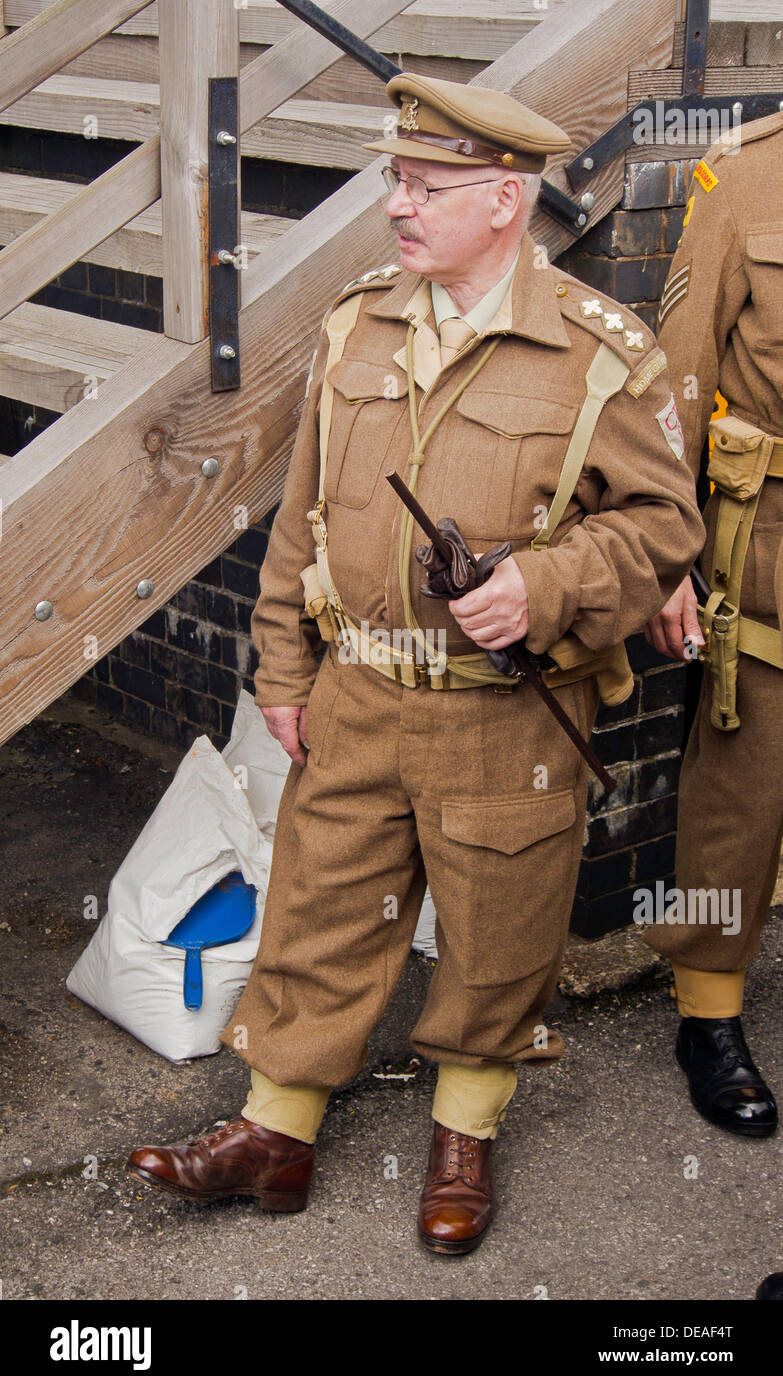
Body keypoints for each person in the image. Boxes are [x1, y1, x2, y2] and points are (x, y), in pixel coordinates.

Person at [128, 74, 704, 1254]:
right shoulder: (357, 325)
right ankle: (275, 1132)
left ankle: (464, 1135)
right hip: (358, 690)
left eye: (428, 186)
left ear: (505, 199)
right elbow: (302, 521)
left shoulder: (601, 353)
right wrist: (282, 670)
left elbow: (662, 530)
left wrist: (543, 586)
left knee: (498, 930)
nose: (398, 203)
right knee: (317, 910)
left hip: (504, 715)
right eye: (397, 179)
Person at [644, 112, 783, 1137]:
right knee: (743, 784)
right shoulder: (742, 177)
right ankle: (708, 1014)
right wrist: (662, 557)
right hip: (768, 538)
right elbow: (677, 379)